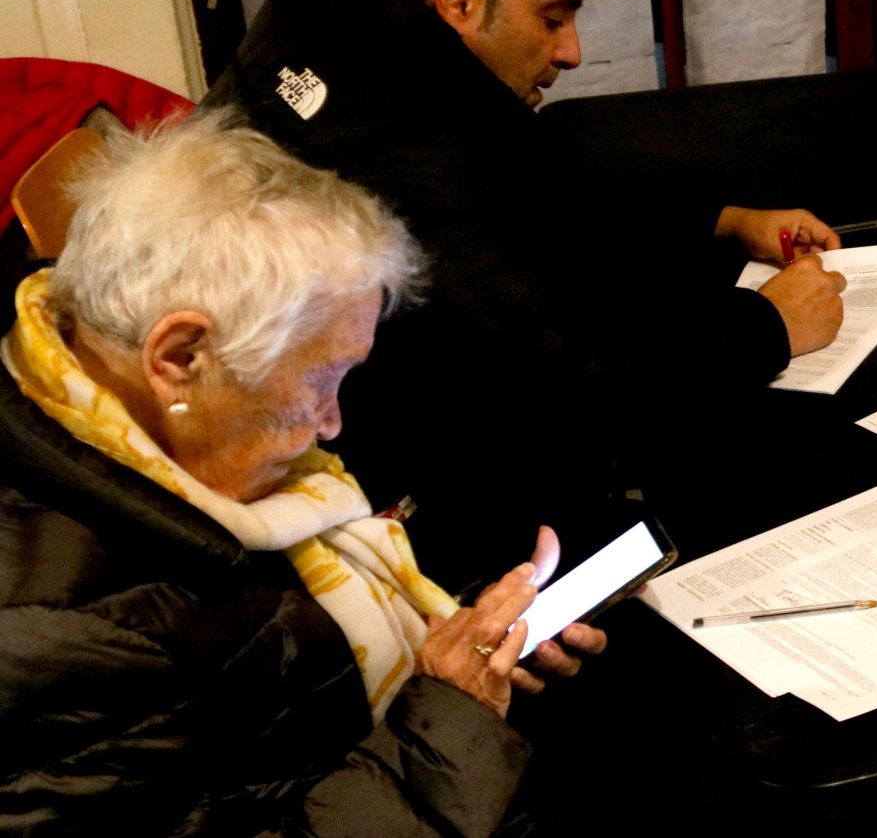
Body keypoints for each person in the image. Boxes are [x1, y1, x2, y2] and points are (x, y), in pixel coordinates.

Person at [205, 0, 845, 587]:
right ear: (459, 0)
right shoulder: (417, 149)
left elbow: (541, 183)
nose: (570, 50)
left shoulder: (312, 21)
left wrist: (723, 222)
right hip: (391, 513)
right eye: (552, 18)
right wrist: (769, 325)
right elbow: (570, 383)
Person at [0, 113, 606, 833]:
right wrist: (450, 717)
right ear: (179, 358)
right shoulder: (59, 638)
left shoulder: (143, 447)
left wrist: (465, 638)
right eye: (322, 378)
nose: (332, 424)